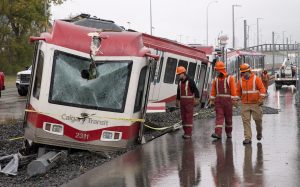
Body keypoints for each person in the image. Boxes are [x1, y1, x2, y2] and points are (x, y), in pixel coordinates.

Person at [236, 63, 266, 144]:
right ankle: (247, 138)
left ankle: (259, 133)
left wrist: (261, 98)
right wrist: (235, 100)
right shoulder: (240, 81)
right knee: (246, 121)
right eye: (242, 73)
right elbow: (238, 92)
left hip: (256, 104)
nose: (243, 74)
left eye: (244, 72)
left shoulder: (256, 79)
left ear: (249, 71)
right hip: (245, 104)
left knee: (258, 120)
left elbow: (262, 90)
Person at [210, 61, 238, 139]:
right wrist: (212, 99)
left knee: (228, 118)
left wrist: (234, 100)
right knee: (219, 117)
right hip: (218, 101)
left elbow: (233, 90)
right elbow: (213, 90)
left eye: (218, 70)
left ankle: (229, 132)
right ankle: (217, 133)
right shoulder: (216, 79)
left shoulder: (230, 78)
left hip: (228, 101)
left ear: (221, 70)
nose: (217, 72)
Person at [176, 66, 200, 139]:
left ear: (183, 73)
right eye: (178, 74)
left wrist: (196, 99)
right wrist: (177, 101)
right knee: (183, 118)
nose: (178, 76)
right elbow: (178, 92)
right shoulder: (179, 82)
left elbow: (196, 90)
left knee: (188, 117)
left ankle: (188, 133)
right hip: (183, 102)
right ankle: (185, 132)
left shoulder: (190, 81)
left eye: (179, 74)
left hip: (189, 102)